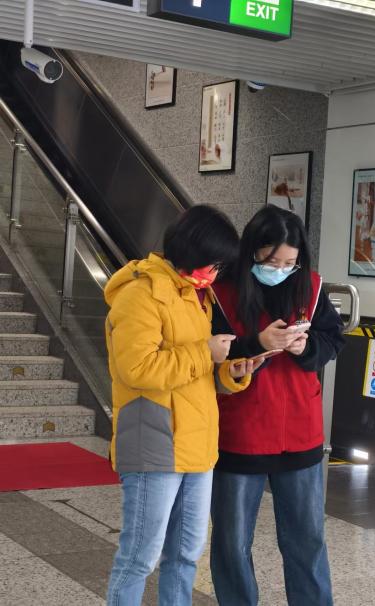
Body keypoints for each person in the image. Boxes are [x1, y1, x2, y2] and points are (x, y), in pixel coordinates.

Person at [105, 205, 262, 606]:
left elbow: (193, 373)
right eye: (214, 264)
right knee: (140, 556)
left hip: (196, 444)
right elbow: (137, 369)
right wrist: (204, 352)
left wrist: (229, 373)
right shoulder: (141, 294)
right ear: (192, 251)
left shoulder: (195, 296)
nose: (216, 273)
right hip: (153, 442)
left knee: (186, 554)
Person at [211, 205, 345, 606]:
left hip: (299, 430)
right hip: (241, 431)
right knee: (232, 541)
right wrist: (257, 344)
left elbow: (333, 340)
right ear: (252, 251)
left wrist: (307, 348)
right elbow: (208, 352)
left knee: (307, 539)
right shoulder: (221, 291)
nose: (282, 270)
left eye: (290, 262)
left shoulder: (311, 288)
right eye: (271, 262)